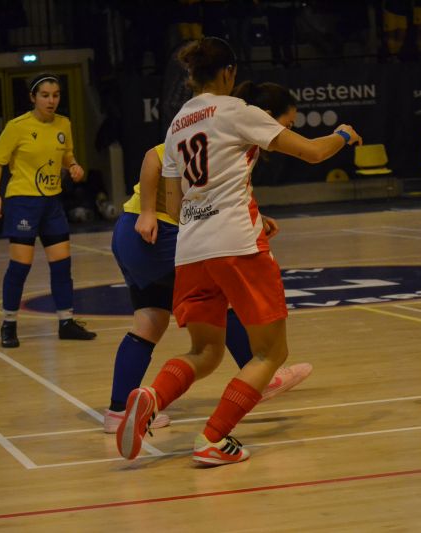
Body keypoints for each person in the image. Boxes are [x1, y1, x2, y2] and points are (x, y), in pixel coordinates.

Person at [117, 37, 362, 466]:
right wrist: (342, 134)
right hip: (237, 244)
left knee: (205, 352)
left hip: (190, 248)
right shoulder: (237, 111)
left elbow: (174, 203)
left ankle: (152, 396)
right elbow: (312, 152)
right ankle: (213, 437)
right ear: (228, 72)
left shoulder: (176, 125)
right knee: (271, 353)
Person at [105, 83, 314, 433]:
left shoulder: (218, 132)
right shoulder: (219, 124)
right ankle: (261, 373)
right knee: (222, 294)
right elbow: (153, 157)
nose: (287, 130)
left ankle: (117, 411)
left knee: (150, 322)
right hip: (156, 231)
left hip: (129, 234)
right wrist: (148, 211)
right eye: (287, 124)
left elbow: (209, 194)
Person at [0, 73, 96, 348]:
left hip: (52, 203)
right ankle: (9, 324)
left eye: (56, 95)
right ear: (33, 98)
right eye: (45, 95)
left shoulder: (63, 124)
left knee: (62, 265)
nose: (51, 101)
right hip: (23, 202)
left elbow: (66, 156)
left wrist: (74, 166)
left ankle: (66, 322)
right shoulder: (17, 126)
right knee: (20, 266)